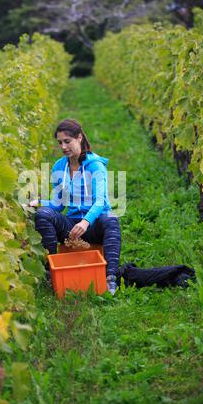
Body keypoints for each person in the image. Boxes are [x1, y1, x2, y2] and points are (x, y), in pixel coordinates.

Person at [29, 118, 122, 295]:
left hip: (94, 226)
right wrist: (40, 203)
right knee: (43, 214)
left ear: (79, 138)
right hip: (71, 227)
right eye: (60, 143)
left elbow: (100, 201)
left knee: (111, 218)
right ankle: (52, 271)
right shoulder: (59, 166)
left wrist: (86, 222)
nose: (63, 147)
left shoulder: (96, 166)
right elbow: (58, 205)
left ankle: (111, 278)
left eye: (67, 141)